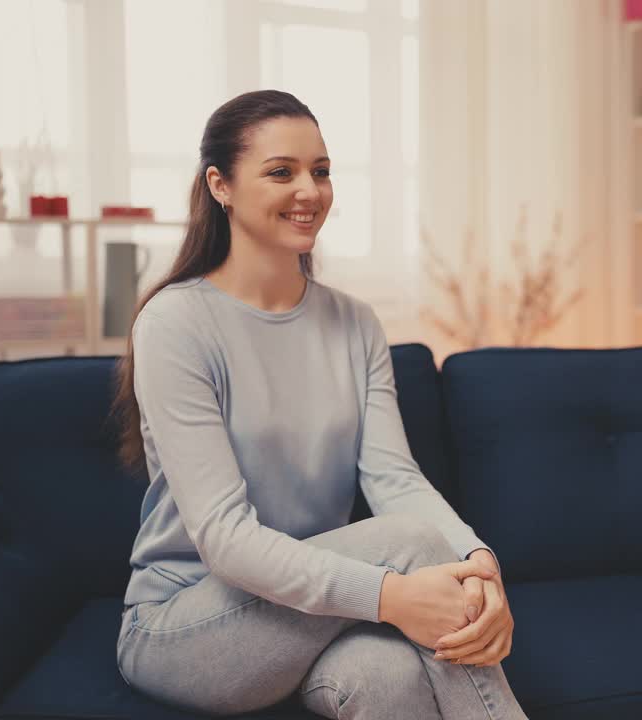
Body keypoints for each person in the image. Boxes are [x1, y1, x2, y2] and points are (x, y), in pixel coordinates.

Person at [111, 89, 527, 719]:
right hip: (185, 625)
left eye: (322, 171)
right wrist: (391, 596)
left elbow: (394, 479)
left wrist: (480, 567)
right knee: (410, 542)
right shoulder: (175, 323)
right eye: (282, 171)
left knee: (390, 677)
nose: (310, 190)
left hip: (314, 609)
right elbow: (226, 538)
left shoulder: (355, 323)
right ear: (220, 185)